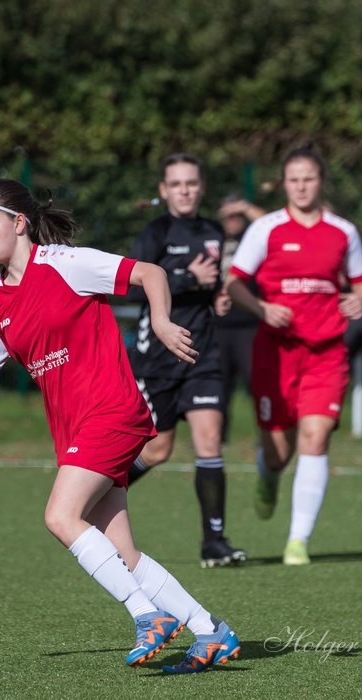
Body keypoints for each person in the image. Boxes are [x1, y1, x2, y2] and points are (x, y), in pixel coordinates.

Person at [0, 178, 240, 673]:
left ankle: (148, 616)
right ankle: (211, 631)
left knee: (60, 516)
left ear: (19, 224)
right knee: (123, 552)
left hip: (113, 411)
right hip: (76, 431)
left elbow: (149, 273)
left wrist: (163, 323)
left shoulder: (65, 264)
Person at [223, 143, 362, 566]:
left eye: (309, 178)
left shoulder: (343, 231)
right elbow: (234, 283)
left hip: (326, 352)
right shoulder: (266, 228)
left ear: (320, 181)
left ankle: (297, 542)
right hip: (275, 352)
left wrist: (359, 299)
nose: (302, 186)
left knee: (316, 436)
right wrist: (262, 308)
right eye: (294, 179)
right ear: (283, 184)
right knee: (277, 449)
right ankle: (268, 475)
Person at [124, 155, 247, 569]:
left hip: (202, 353)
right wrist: (186, 279)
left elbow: (214, 286)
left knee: (209, 440)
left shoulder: (213, 231)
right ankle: (99, 495)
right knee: (158, 450)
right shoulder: (155, 233)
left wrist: (219, 297)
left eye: (191, 183)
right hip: (158, 357)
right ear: (163, 190)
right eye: (176, 184)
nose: (185, 190)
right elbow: (131, 289)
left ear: (201, 187)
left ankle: (214, 540)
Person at [215, 194, 266, 442]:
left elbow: (270, 225)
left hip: (248, 324)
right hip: (217, 325)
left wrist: (245, 206)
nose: (232, 219)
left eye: (237, 215)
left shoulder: (253, 239)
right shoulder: (212, 239)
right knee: (219, 386)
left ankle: (266, 434)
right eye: (228, 214)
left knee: (257, 382)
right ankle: (216, 439)